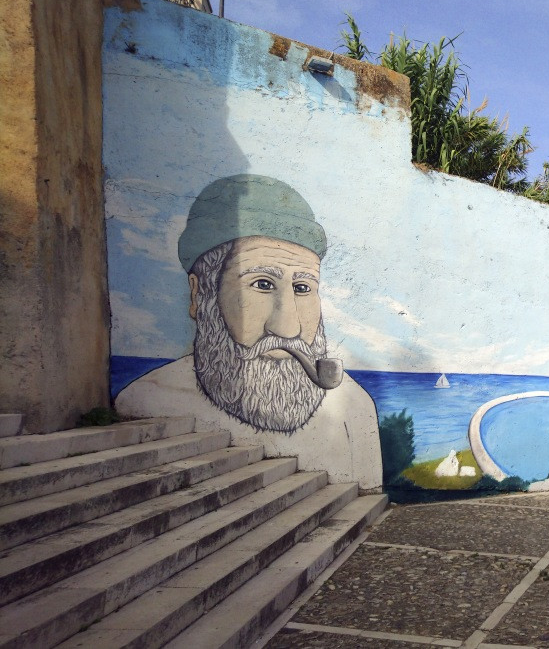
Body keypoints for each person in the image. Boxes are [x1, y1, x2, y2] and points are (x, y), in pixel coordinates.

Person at [116, 174, 382, 491]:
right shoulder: (148, 400)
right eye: (262, 284)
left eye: (302, 288)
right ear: (199, 294)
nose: (288, 327)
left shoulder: (353, 409)